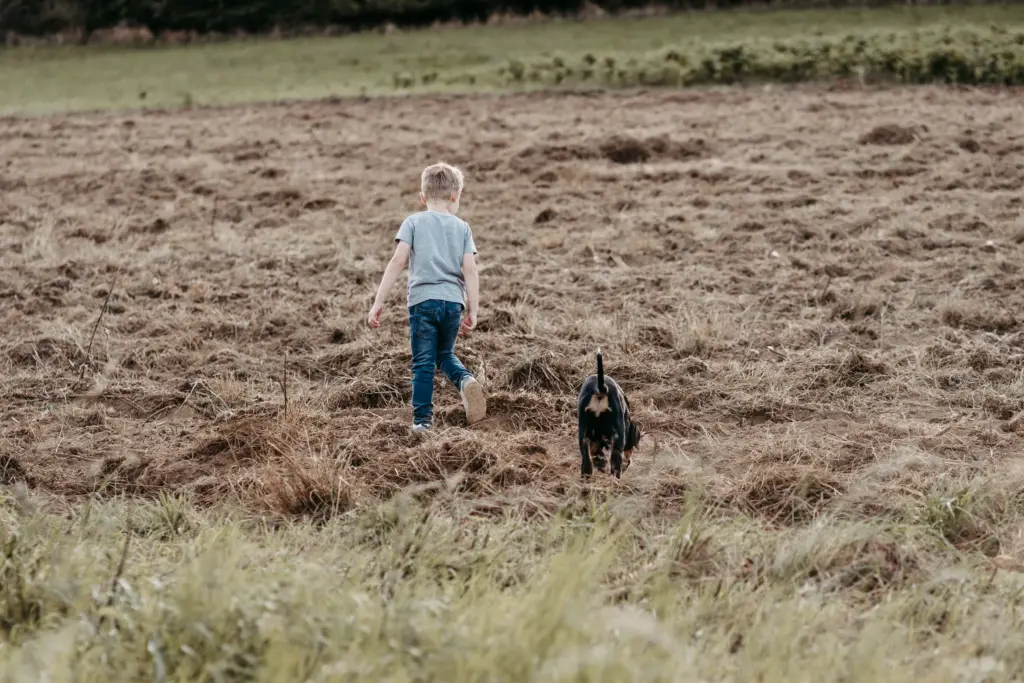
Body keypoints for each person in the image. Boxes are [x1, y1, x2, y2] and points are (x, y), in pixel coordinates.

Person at [367, 161, 486, 433]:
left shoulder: (413, 222)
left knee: (423, 361)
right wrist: (473, 310)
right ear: (455, 196)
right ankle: (466, 380)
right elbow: (470, 269)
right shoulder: (462, 227)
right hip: (453, 303)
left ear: (423, 197)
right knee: (444, 354)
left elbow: (398, 261)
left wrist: (378, 302)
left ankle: (422, 421)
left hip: (422, 302)